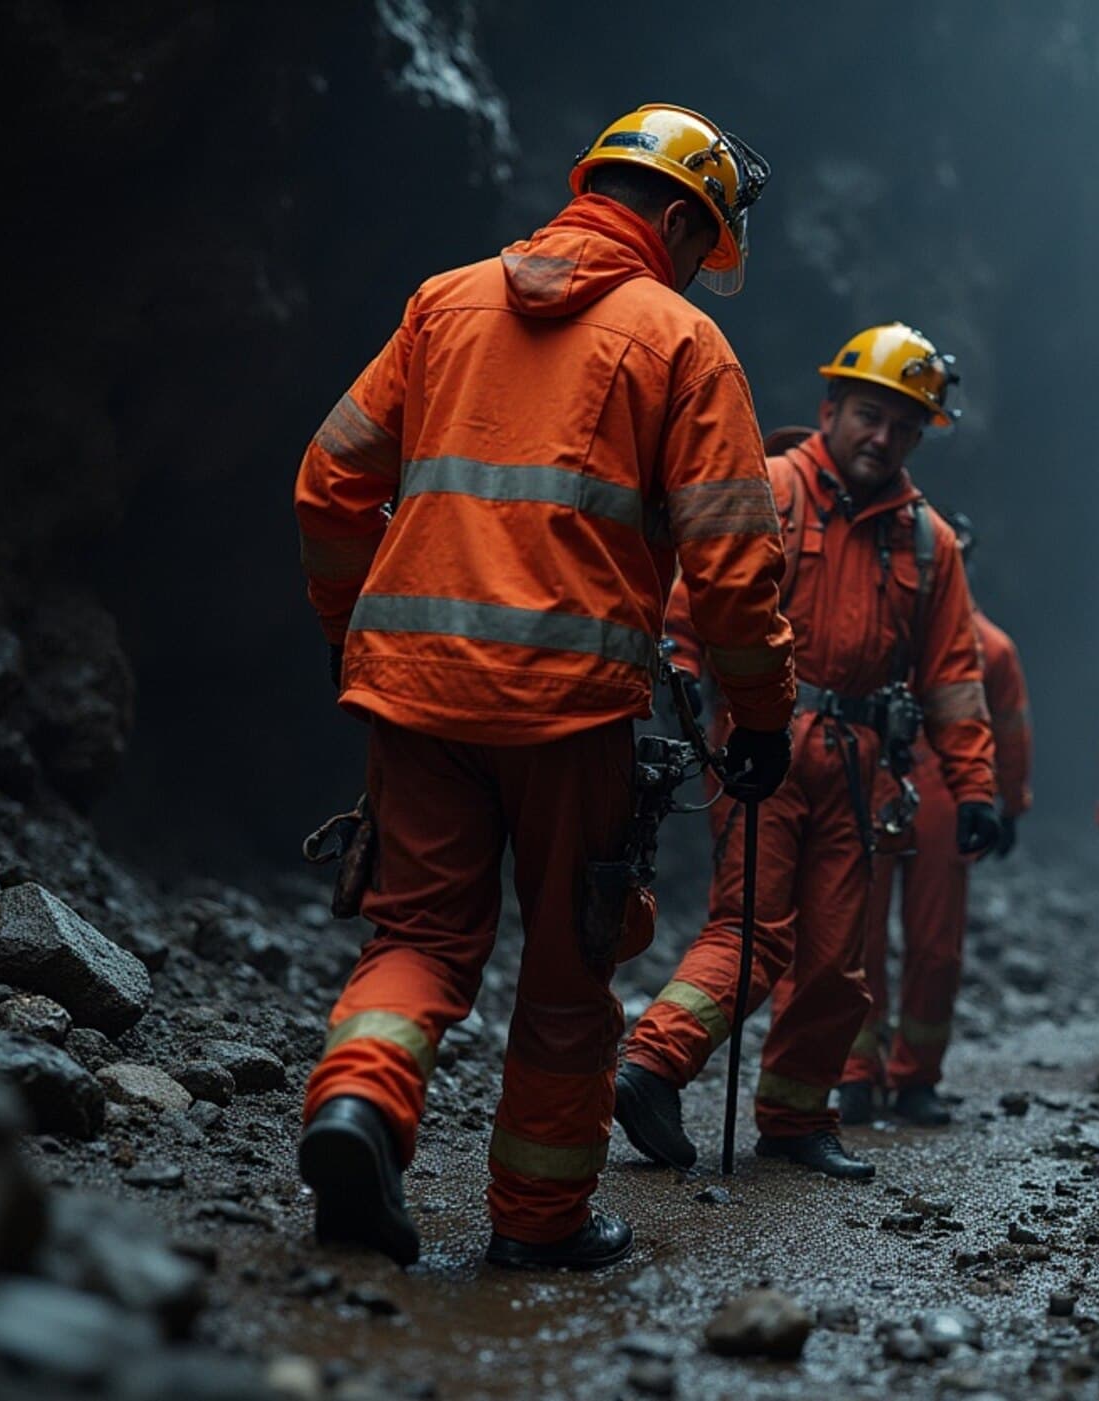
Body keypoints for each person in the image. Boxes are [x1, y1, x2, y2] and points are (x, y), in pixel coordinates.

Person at [292, 104, 793, 1271]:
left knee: (415, 934)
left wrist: (346, 630)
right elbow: (731, 565)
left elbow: (327, 483)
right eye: (697, 241)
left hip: (413, 697)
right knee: (568, 972)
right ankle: (538, 1222)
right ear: (677, 216)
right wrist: (757, 714)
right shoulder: (681, 343)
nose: (689, 264)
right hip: (571, 715)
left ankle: (356, 1107)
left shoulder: (443, 301)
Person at [616, 323, 1000, 1181]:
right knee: (751, 928)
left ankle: (795, 1116)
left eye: (904, 427)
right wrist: (679, 694)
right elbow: (694, 598)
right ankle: (653, 1063)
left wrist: (973, 784)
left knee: (838, 957)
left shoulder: (929, 541)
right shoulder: (772, 487)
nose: (884, 437)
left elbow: (952, 677)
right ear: (831, 407)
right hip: (764, 737)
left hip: (862, 761)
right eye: (870, 415)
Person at [839, 511, 1032, 1126]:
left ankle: (915, 1074)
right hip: (876, 776)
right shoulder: (879, 624)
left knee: (934, 945)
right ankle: (856, 1073)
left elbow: (1008, 732)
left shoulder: (989, 648)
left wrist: (1008, 801)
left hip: (945, 783)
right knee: (859, 937)